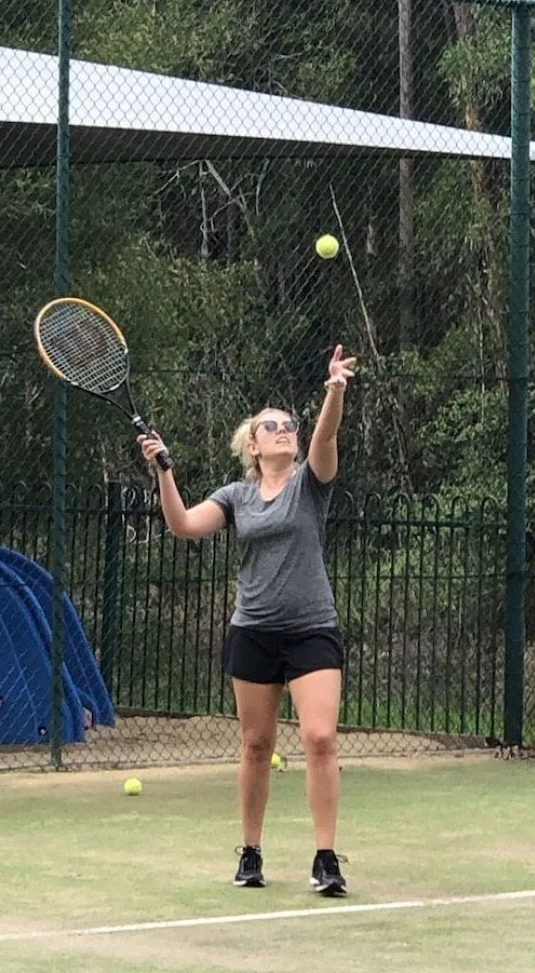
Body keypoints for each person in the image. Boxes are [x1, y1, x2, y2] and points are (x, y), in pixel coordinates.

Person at [138, 344, 356, 897]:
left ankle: (326, 859)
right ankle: (251, 852)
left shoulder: (311, 483)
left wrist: (334, 389)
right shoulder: (237, 496)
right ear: (253, 446)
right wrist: (165, 471)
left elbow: (327, 439)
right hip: (253, 631)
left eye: (289, 426)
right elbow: (184, 524)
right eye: (271, 427)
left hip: (312, 629)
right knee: (257, 745)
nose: (284, 430)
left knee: (320, 736)